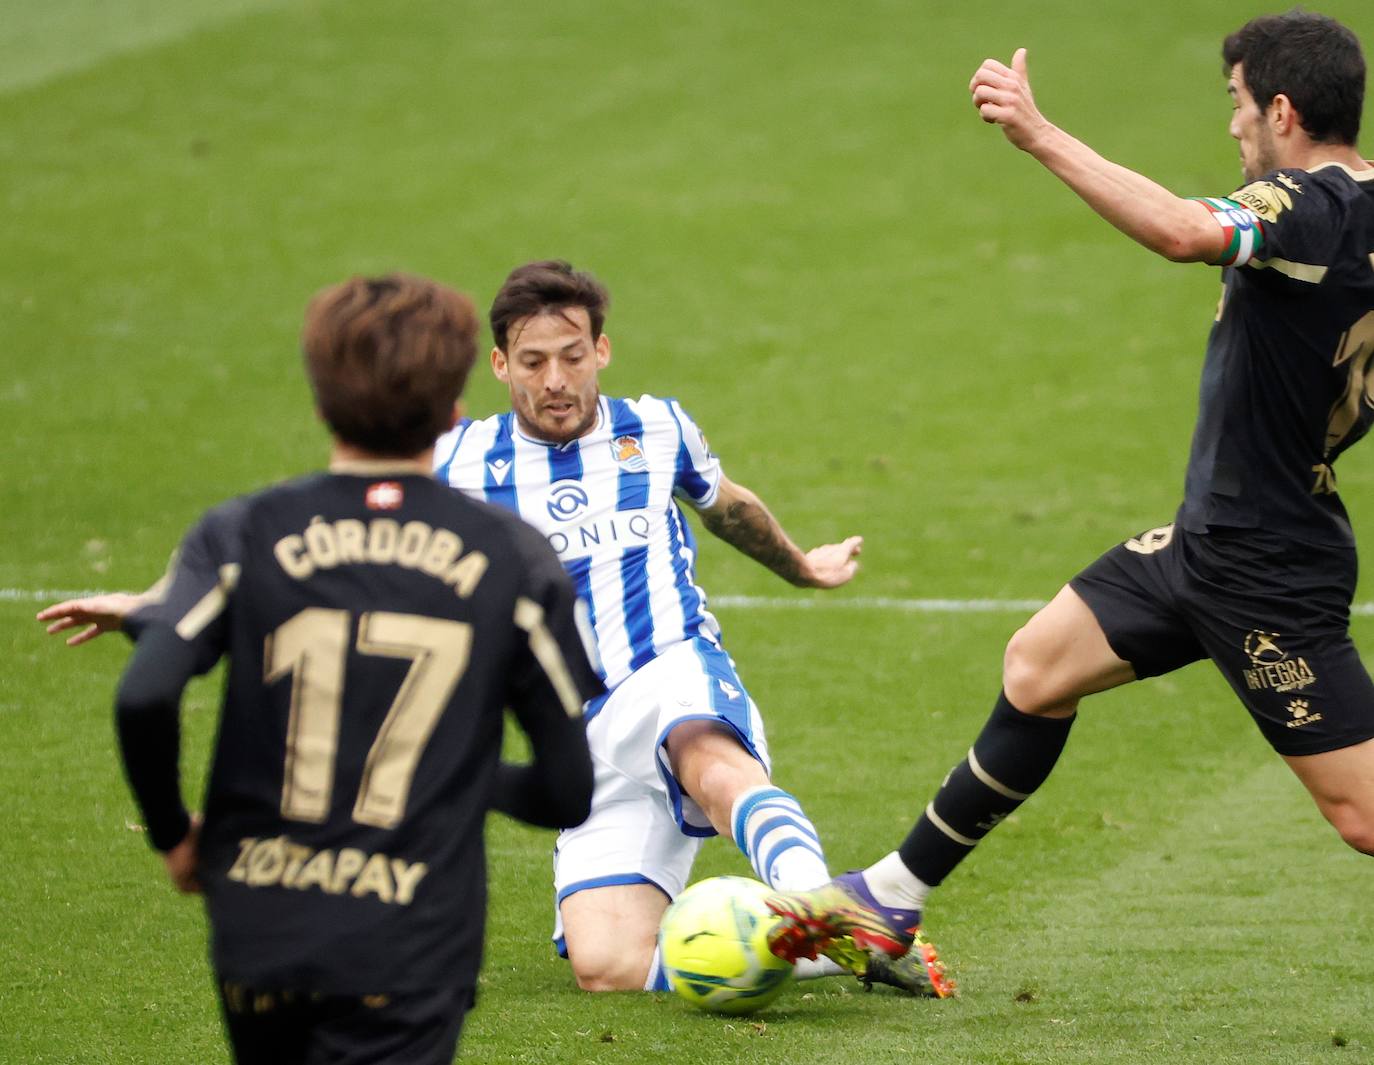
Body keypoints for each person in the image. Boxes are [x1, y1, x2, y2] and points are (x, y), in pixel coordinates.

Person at [766, 11, 1374, 978]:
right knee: (1037, 665)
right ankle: (889, 902)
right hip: (1209, 543)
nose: (1233, 129)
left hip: (1267, 568)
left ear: (1283, 110)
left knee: (1363, 815)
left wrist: (1036, 132)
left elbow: (1185, 229)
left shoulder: (1307, 205)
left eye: (1237, 105)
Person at [38, 274, 602, 1064]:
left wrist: (173, 834)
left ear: (320, 403)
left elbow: (145, 694)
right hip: (411, 944)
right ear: (453, 410)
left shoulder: (239, 532)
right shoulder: (511, 558)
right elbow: (568, 790)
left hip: (262, 932)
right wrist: (467, 773)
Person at [432, 260, 954, 997]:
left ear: (602, 351)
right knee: (606, 964)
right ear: (499, 365)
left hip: (667, 667)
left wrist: (803, 565)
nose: (556, 380)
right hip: (583, 733)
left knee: (709, 762)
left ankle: (832, 906)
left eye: (573, 357)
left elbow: (727, 505)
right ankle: (828, 953)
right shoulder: (459, 464)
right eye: (534, 362)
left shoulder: (656, 428)